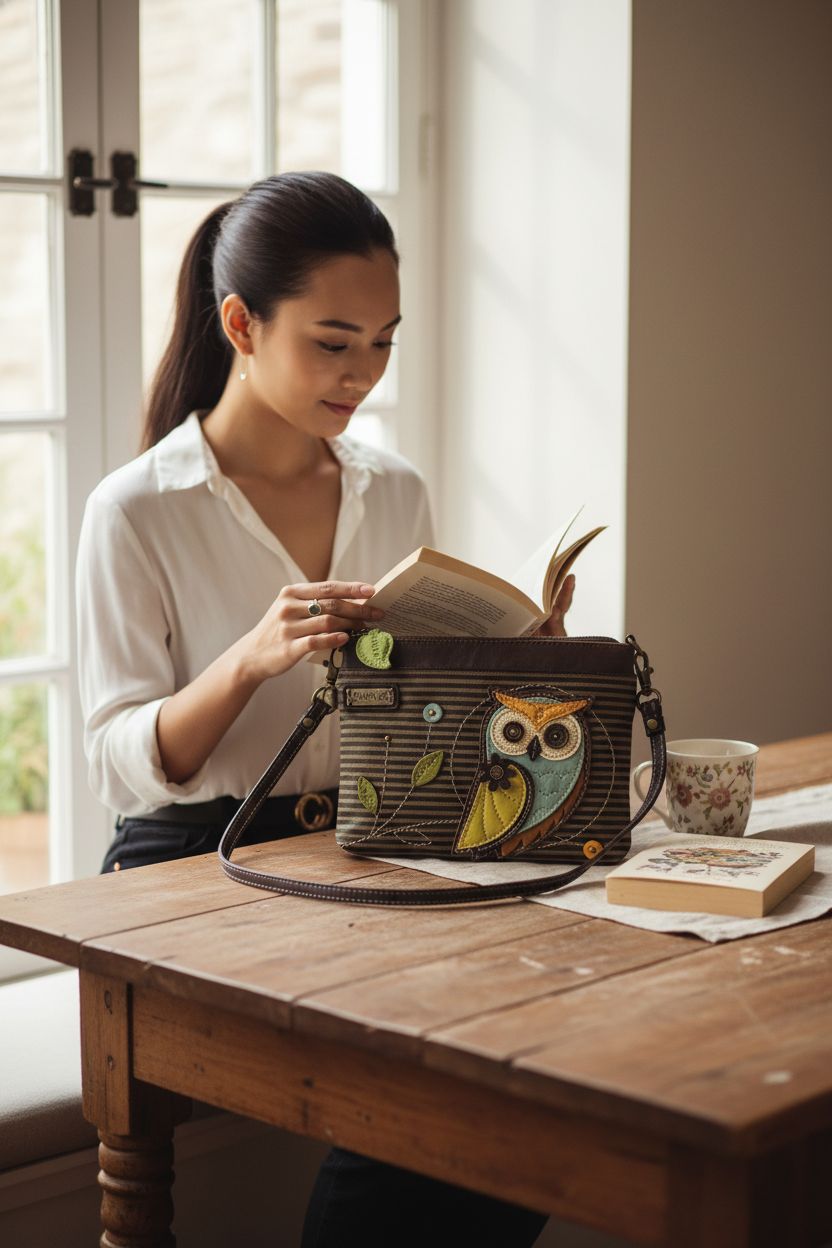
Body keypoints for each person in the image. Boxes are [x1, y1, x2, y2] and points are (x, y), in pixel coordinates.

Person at [75, 171, 574, 1247]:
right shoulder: (136, 510)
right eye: (334, 342)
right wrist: (250, 659)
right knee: (441, 1077)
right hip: (193, 868)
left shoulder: (391, 488)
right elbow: (120, 756)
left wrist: (514, 656)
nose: (364, 374)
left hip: (370, 844)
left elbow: (425, 718)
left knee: (543, 1049)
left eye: (384, 343)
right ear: (241, 325)